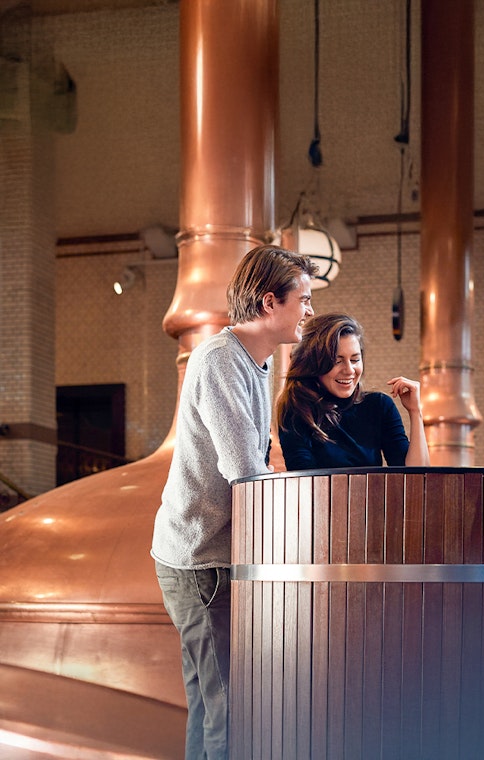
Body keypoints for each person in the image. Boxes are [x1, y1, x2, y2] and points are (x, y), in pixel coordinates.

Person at [151, 244, 317, 759]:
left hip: (211, 557)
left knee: (210, 703)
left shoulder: (256, 362)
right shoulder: (221, 360)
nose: (309, 311)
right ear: (271, 302)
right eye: (304, 299)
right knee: (229, 707)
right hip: (199, 561)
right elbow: (244, 471)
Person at [277, 313, 430, 469]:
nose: (349, 370)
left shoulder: (379, 406)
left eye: (355, 360)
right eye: (337, 361)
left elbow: (416, 478)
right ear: (313, 364)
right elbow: (303, 483)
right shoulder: (296, 411)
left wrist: (415, 411)